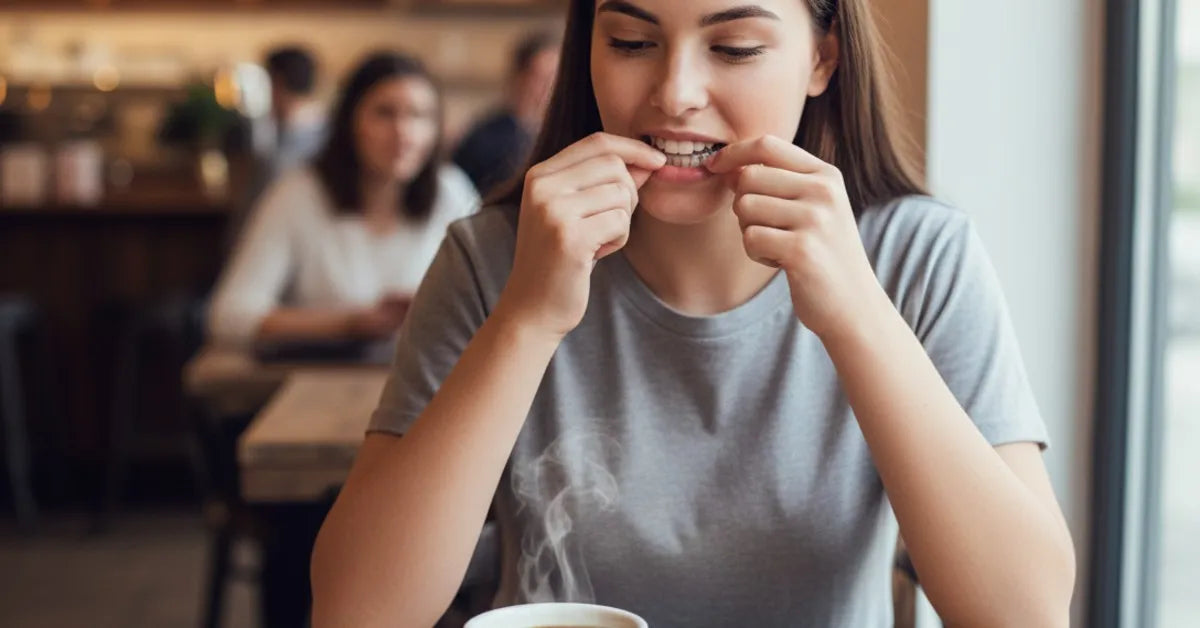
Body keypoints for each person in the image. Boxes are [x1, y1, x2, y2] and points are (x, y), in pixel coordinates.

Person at [311, 2, 1076, 627]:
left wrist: (857, 316)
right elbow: (356, 612)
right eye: (632, 40)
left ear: (822, 59)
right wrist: (528, 318)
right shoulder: (492, 258)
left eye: (735, 47)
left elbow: (1026, 612)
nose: (675, 91)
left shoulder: (919, 254)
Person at [207, 50, 479, 350]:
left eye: (419, 115)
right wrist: (350, 324)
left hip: (433, 382)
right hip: (323, 381)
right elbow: (230, 316)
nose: (403, 132)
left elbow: (489, 302)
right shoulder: (299, 194)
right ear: (350, 120)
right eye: (384, 113)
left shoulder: (451, 191)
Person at [452, 30, 561, 197]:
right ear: (519, 77)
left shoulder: (562, 134)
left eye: (554, 77)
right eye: (540, 77)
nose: (548, 87)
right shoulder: (485, 139)